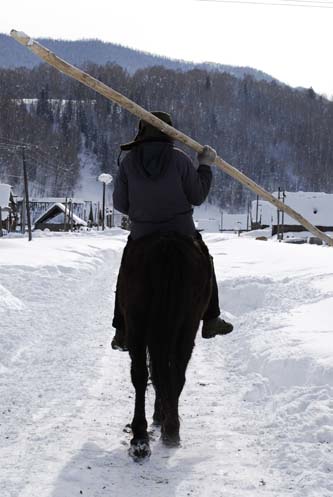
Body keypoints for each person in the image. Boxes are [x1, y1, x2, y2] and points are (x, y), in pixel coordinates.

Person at [111, 111, 233, 351]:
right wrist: (205, 166)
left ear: (142, 132)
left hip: (142, 234)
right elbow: (197, 197)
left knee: (127, 272)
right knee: (205, 261)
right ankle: (210, 319)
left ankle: (122, 329)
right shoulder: (180, 159)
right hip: (182, 232)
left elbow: (120, 205)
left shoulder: (129, 161)